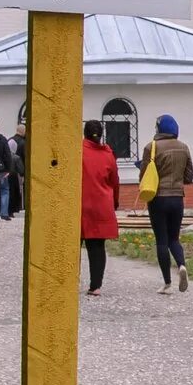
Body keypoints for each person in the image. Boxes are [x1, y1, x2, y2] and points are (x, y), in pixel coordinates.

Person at [139, 116, 193, 293]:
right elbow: (189, 177)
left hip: (158, 199)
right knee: (174, 239)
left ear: (159, 129)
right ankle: (182, 266)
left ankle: (167, 283)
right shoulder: (184, 148)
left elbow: (144, 176)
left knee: (161, 241)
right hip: (177, 198)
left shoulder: (151, 147)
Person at [80, 120, 120, 296]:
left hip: (80, 204)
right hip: (101, 205)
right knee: (97, 247)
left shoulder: (77, 151)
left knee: (72, 246)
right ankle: (95, 286)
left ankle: (67, 282)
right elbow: (115, 183)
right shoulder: (108, 155)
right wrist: (114, 203)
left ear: (85, 133)